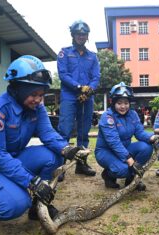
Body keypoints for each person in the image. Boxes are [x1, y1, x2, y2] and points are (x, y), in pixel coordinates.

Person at [0, 55, 83, 233]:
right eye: (33, 94)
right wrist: (32, 182)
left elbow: (47, 134)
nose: (39, 100)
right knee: (14, 206)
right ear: (17, 89)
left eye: (41, 94)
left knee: (54, 155)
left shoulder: (36, 108)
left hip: (11, 158)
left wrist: (68, 150)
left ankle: (38, 206)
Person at [95, 82, 159, 191]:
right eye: (119, 103)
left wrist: (154, 137)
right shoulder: (107, 117)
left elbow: (140, 133)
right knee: (124, 170)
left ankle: (131, 179)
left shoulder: (133, 114)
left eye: (126, 103)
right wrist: (130, 160)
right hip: (106, 151)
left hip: (125, 148)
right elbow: (114, 142)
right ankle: (108, 175)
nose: (123, 106)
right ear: (112, 102)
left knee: (146, 147)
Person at [57, 20, 100, 179]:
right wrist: (78, 87)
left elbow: (96, 77)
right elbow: (63, 75)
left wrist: (88, 91)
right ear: (73, 35)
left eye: (84, 34)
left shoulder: (92, 57)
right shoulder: (64, 52)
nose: (81, 36)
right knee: (65, 131)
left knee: (84, 132)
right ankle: (60, 166)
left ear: (87, 36)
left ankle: (81, 165)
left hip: (87, 98)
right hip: (69, 97)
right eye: (78, 34)